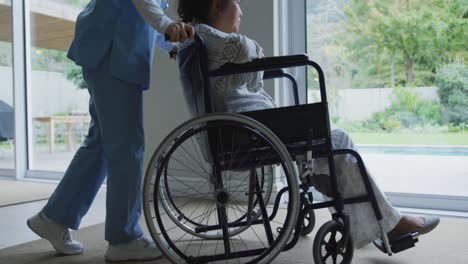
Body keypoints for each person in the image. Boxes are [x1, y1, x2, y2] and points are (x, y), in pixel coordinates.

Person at [176, 0, 440, 249]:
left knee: (329, 149)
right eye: (237, 3)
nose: (241, 12)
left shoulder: (196, 39)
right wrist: (256, 49)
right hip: (248, 134)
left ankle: (376, 222)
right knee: (338, 144)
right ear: (215, 4)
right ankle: (389, 224)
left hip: (245, 132)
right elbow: (244, 49)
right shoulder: (205, 37)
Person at [26, 0, 194, 262]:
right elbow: (145, 5)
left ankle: (54, 218)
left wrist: (172, 42)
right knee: (127, 147)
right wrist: (168, 26)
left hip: (110, 51)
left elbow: (145, 15)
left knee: (103, 145)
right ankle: (123, 238)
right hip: (114, 53)